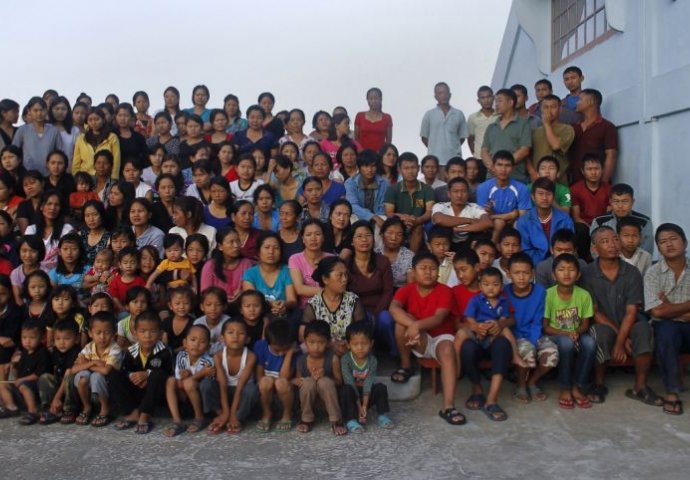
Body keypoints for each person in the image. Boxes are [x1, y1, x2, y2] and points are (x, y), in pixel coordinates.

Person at [581, 226, 659, 406]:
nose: (612, 245)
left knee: (643, 329)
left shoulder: (631, 272)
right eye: (605, 241)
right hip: (604, 325)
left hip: (629, 323)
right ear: (594, 248)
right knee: (598, 333)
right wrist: (620, 341)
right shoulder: (587, 273)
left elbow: (632, 311)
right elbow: (594, 312)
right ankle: (599, 384)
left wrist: (621, 340)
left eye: (615, 239)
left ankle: (640, 386)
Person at [389, 253, 464, 424]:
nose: (428, 272)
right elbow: (393, 308)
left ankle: (449, 407)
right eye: (423, 268)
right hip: (419, 339)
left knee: (447, 350)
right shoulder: (406, 289)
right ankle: (406, 366)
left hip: (441, 337)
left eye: (432, 269)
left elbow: (439, 318)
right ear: (414, 272)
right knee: (400, 324)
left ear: (438, 272)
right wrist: (412, 325)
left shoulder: (445, 291)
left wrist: (416, 326)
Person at [644, 223, 690, 415]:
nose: (669, 244)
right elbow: (656, 312)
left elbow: (663, 309)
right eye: (663, 241)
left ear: (685, 243)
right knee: (666, 334)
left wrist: (669, 307)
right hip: (667, 326)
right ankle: (672, 392)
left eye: (673, 239)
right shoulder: (653, 273)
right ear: (658, 247)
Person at [543, 254, 596, 409]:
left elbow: (585, 325)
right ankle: (565, 387)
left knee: (590, 343)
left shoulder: (584, 295)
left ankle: (578, 386)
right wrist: (566, 334)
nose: (566, 273)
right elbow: (546, 327)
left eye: (571, 269)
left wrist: (576, 332)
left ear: (578, 275)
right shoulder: (548, 295)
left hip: (577, 333)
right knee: (566, 344)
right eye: (561, 269)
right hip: (555, 335)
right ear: (554, 275)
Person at [505, 253, 557, 403]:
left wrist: (533, 341)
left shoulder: (540, 292)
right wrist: (523, 341)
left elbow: (538, 321)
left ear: (532, 273)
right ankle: (521, 385)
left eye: (526, 273)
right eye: (517, 273)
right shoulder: (504, 292)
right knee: (525, 350)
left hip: (535, 334)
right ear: (509, 274)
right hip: (514, 336)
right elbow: (506, 320)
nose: (521, 277)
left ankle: (532, 382)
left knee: (551, 354)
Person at [111, 311, 173, 434]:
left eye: (153, 331)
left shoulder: (164, 351)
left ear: (160, 334)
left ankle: (144, 415)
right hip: (136, 389)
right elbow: (125, 370)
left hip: (155, 392)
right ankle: (133, 413)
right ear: (135, 334)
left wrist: (147, 375)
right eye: (142, 331)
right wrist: (133, 376)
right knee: (114, 374)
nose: (147, 336)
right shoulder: (131, 351)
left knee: (158, 375)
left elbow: (168, 373)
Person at [302, 256, 367, 355]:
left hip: (349, 349)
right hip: (323, 351)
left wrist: (347, 344)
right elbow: (302, 334)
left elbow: (362, 331)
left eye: (345, 275)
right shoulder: (314, 304)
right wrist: (329, 344)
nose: (344, 279)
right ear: (325, 279)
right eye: (339, 275)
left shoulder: (353, 300)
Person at [204, 318, 259, 435]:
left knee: (252, 390)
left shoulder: (250, 356)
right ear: (222, 338)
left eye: (241, 333)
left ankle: (238, 417)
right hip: (223, 393)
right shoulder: (218, 356)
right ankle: (220, 415)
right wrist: (225, 412)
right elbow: (222, 384)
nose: (235, 336)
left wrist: (233, 413)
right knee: (206, 384)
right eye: (230, 333)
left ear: (247, 339)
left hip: (241, 394)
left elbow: (240, 386)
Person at [294, 321, 346, 436]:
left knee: (324, 382)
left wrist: (325, 377)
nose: (316, 347)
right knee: (307, 382)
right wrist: (300, 381)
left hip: (327, 401)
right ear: (305, 342)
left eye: (321, 342)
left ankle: (336, 420)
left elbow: (339, 381)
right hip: (310, 402)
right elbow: (298, 380)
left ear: (328, 343)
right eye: (312, 342)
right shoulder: (301, 360)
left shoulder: (333, 359)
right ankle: (306, 419)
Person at [71, 312, 123, 426]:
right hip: (91, 390)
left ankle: (105, 408)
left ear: (114, 333)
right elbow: (73, 370)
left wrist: (87, 364)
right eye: (98, 333)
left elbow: (106, 371)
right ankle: (87, 407)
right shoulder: (89, 347)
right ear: (90, 333)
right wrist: (93, 362)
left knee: (96, 376)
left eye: (107, 332)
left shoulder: (115, 349)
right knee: (82, 377)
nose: (102, 337)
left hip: (109, 389)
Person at [339, 322, 393, 432]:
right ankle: (351, 420)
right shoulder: (345, 360)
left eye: (364, 343)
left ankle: (383, 416)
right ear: (348, 344)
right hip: (352, 395)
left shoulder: (372, 360)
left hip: (366, 394)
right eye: (355, 344)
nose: (360, 347)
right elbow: (349, 382)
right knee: (345, 390)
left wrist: (364, 406)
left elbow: (368, 383)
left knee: (380, 388)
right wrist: (359, 406)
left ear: (371, 343)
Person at [164, 324, 215, 437]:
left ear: (208, 347)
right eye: (193, 340)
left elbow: (209, 384)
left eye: (202, 342)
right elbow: (178, 381)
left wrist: (195, 375)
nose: (196, 344)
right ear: (185, 343)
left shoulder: (208, 361)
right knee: (171, 381)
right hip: (184, 397)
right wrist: (197, 375)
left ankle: (200, 417)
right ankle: (177, 421)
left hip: (202, 402)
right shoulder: (181, 355)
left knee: (189, 382)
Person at [0, 320, 51, 424]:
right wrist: (14, 365)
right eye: (24, 337)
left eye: (32, 338)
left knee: (24, 386)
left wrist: (21, 380)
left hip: (35, 387)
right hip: (22, 385)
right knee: (2, 384)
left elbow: (38, 375)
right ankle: (11, 407)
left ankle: (33, 411)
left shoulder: (43, 353)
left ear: (42, 338)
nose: (27, 341)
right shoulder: (23, 353)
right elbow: (17, 376)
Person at [516, 177, 575, 265]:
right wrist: (543, 265)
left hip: (561, 263)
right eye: (540, 194)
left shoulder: (565, 219)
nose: (544, 197)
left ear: (553, 197)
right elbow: (526, 251)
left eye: (548, 194)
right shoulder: (524, 221)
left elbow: (570, 246)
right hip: (534, 265)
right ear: (533, 197)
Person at [383, 152, 434, 252]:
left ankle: (411, 258)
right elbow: (389, 212)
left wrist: (417, 220)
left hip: (419, 224)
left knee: (418, 228)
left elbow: (430, 212)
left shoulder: (427, 189)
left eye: (413, 167)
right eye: (406, 168)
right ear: (399, 169)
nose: (410, 171)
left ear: (418, 168)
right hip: (398, 222)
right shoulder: (393, 189)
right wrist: (403, 217)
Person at [476, 151, 531, 243]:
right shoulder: (483, 188)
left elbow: (523, 216)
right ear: (493, 167)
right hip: (491, 226)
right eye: (499, 165)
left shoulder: (522, 188)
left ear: (513, 168)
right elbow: (482, 216)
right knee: (499, 222)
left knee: (519, 224)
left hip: (513, 225)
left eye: (507, 165)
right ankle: (493, 245)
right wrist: (510, 215)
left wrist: (497, 216)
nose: (503, 169)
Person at [242, 232, 297, 321]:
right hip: (258, 318)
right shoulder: (250, 274)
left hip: (284, 316)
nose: (271, 252)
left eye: (276, 248)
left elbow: (292, 300)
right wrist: (270, 304)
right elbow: (251, 300)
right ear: (258, 252)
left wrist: (284, 305)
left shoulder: (287, 271)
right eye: (267, 247)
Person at [253, 319, 296, 433]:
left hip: (286, 392)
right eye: (277, 350)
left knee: (281, 382)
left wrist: (289, 353)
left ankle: (287, 413)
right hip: (266, 392)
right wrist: (269, 382)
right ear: (269, 343)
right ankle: (266, 413)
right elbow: (259, 376)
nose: (281, 353)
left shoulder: (295, 351)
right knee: (265, 381)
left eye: (285, 349)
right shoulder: (260, 346)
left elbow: (284, 376)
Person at [481, 88, 531, 183]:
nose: (496, 104)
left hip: (515, 177)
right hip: (492, 177)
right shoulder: (492, 127)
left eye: (500, 101)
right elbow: (484, 151)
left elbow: (525, 150)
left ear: (511, 102)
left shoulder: (523, 124)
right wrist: (493, 167)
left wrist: (505, 166)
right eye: (496, 101)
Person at [570, 88, 618, 183]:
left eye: (580, 99)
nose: (577, 103)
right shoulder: (573, 127)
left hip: (597, 182)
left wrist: (603, 183)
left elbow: (611, 155)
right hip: (575, 183)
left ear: (590, 102)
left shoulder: (607, 126)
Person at [590, 183, 653, 255]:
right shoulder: (599, 221)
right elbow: (594, 251)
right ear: (610, 202)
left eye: (625, 201)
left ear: (632, 202)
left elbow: (646, 251)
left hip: (636, 261)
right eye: (616, 201)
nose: (620, 206)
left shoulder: (644, 222)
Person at [38, 320, 81, 425]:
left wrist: (57, 398)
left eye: (66, 339)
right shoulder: (55, 351)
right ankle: (50, 408)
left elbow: (68, 374)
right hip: (60, 384)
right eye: (58, 339)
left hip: (71, 389)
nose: (61, 342)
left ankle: (69, 410)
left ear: (77, 339)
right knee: (45, 377)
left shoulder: (77, 352)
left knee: (70, 378)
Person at [432, 177, 492, 251]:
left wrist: (459, 229)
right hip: (447, 244)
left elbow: (487, 223)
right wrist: (470, 221)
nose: (459, 195)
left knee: (481, 234)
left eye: (463, 191)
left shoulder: (474, 207)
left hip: (468, 243)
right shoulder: (440, 205)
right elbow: (439, 219)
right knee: (441, 228)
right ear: (449, 194)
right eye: (455, 191)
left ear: (468, 194)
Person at [570, 153, 610, 260]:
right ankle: (584, 260)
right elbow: (576, 217)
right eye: (589, 169)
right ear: (583, 171)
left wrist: (598, 228)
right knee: (580, 230)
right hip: (584, 225)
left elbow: (608, 215)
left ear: (602, 170)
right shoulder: (575, 189)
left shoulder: (608, 189)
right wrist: (591, 228)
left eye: (596, 168)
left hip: (602, 225)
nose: (593, 172)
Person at [288, 219, 334, 309]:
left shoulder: (332, 259)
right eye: (308, 235)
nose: (313, 238)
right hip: (305, 309)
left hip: (329, 307)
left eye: (317, 234)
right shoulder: (295, 259)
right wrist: (329, 291)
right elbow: (300, 289)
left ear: (323, 237)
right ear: (303, 239)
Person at [528, 95, 574, 183]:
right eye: (546, 107)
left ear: (560, 109)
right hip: (538, 178)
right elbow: (527, 154)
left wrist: (547, 124)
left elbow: (555, 146)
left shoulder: (567, 129)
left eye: (553, 107)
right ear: (541, 110)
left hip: (559, 180)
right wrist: (532, 172)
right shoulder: (535, 131)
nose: (549, 111)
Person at [420, 82, 467, 165]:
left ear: (450, 95)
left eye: (446, 93)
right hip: (435, 161)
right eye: (440, 93)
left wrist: (453, 147)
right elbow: (424, 137)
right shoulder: (429, 114)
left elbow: (462, 137)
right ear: (435, 96)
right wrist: (435, 148)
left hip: (454, 160)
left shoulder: (458, 114)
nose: (444, 96)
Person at [12, 97, 63, 175]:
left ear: (46, 110)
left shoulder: (54, 131)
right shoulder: (22, 130)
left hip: (49, 175)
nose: (39, 113)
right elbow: (13, 151)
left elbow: (60, 153)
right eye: (35, 110)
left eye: (42, 110)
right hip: (28, 174)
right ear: (29, 111)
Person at [25, 191, 74, 271]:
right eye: (49, 204)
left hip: (59, 272)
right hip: (36, 272)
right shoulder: (31, 230)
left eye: (57, 205)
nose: (52, 208)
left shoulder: (67, 229)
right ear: (41, 207)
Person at [344, 150, 389, 229]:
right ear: (359, 167)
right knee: (352, 218)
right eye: (366, 166)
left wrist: (375, 218)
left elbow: (382, 207)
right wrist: (371, 216)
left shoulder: (384, 183)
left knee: (384, 219)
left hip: (378, 216)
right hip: (358, 215)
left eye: (373, 166)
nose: (370, 170)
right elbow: (353, 205)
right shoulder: (350, 183)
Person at [72, 109, 120, 179]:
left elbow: (116, 160)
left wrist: (114, 178)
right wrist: (75, 177)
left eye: (97, 119)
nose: (93, 122)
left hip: (105, 177)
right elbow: (76, 161)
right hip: (85, 177)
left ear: (103, 120)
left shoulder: (112, 137)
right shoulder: (81, 138)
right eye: (90, 120)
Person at [375, 217, 413, 289]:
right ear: (382, 234)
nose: (393, 238)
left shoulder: (410, 256)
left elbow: (410, 286)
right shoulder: (375, 253)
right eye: (389, 233)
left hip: (401, 292)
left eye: (399, 234)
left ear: (403, 237)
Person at [354, 88, 393, 152]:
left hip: (380, 155)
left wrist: (382, 153)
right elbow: (356, 138)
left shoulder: (387, 118)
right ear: (367, 100)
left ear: (381, 99)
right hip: (362, 154)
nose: (374, 101)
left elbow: (388, 141)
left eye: (376, 98)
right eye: (371, 98)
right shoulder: (359, 116)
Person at [467, 86, 498, 160]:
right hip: (479, 157)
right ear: (478, 100)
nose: (486, 100)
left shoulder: (500, 116)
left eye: (488, 97)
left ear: (493, 97)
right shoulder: (473, 117)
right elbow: (470, 139)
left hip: (497, 157)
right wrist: (475, 154)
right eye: (483, 98)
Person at [114, 104, 148, 169]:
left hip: (134, 171)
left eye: (126, 115)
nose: (122, 118)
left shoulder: (138, 137)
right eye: (120, 115)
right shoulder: (111, 135)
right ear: (116, 117)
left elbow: (145, 157)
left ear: (131, 117)